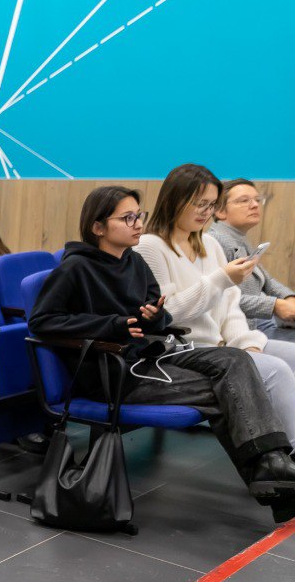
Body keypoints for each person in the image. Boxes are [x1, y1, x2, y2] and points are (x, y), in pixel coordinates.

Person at [30, 185, 295, 522]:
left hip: (151, 356)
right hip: (115, 372)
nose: (138, 223)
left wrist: (154, 317)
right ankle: (272, 471)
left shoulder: (135, 262)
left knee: (236, 359)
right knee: (226, 390)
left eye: (138, 215)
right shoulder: (75, 268)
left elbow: (159, 316)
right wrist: (112, 325)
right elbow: (42, 321)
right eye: (128, 218)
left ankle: (272, 468)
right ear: (98, 227)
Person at [133, 163, 295, 440]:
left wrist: (247, 344)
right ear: (174, 200)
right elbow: (167, 314)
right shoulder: (150, 246)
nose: (206, 212)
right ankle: (288, 451)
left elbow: (230, 308)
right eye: (199, 204)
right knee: (276, 370)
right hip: (186, 349)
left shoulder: (210, 245)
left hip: (226, 346)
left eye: (211, 205)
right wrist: (221, 278)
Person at [211, 178, 295, 341]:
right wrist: (275, 305)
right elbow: (219, 299)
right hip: (238, 330)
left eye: (257, 200)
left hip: (258, 322)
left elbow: (267, 280)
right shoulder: (216, 241)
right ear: (220, 211)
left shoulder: (238, 239)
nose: (255, 205)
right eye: (244, 201)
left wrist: (288, 298)